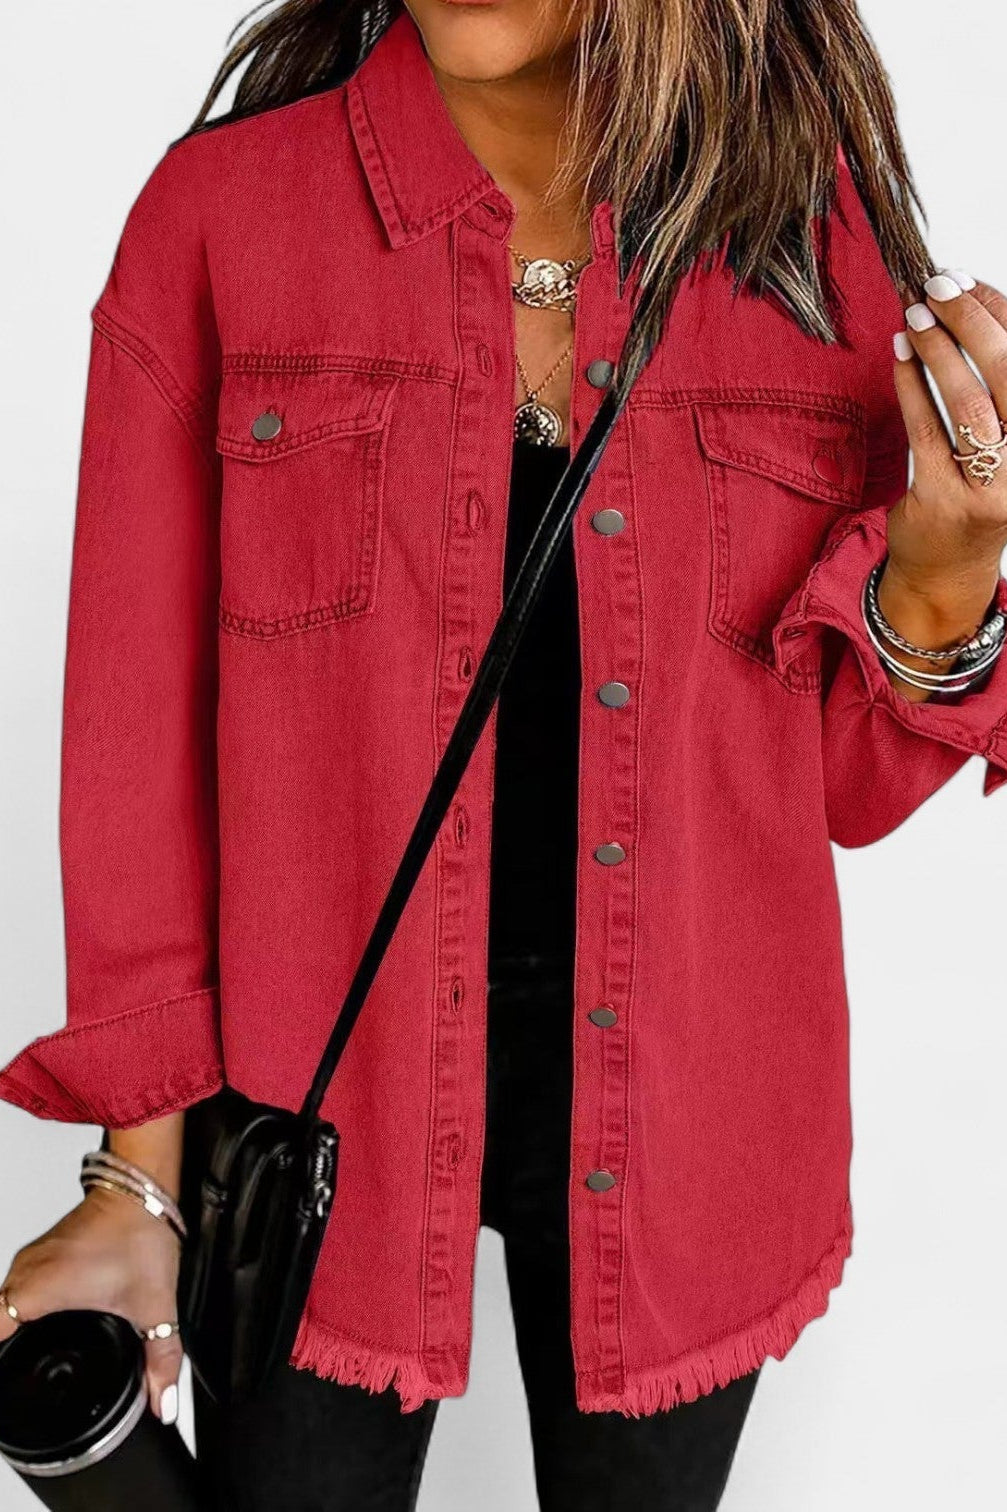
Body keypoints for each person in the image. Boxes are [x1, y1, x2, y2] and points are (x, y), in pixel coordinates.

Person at [1, 2, 1005, 1507]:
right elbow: (135, 748)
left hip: (697, 1121)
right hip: (314, 1098)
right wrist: (135, 1181)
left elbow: (842, 796)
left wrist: (952, 569)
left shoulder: (808, 245)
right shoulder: (223, 219)